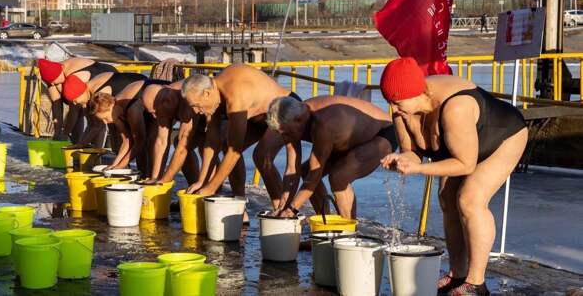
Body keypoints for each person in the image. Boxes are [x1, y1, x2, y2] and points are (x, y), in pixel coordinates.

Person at [378, 58, 527, 296]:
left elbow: (465, 164)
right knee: (447, 198)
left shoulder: (455, 107)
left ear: (417, 93)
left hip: (503, 136)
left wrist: (417, 169)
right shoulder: (402, 109)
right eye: (389, 102)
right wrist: (403, 160)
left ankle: (475, 283)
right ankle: (457, 274)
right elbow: (413, 153)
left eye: (396, 102)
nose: (393, 109)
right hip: (461, 146)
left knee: (470, 199)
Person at [180, 64, 301, 208]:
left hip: (284, 108)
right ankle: (240, 206)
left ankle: (282, 209)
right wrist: (202, 181)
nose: (196, 111)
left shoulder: (235, 97)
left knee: (261, 155)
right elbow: (212, 142)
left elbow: (235, 151)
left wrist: (211, 188)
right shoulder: (215, 94)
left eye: (197, 105)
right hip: (258, 117)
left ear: (206, 93)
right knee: (225, 144)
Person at [266, 95, 397, 219]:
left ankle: (348, 235)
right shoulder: (292, 119)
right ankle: (325, 225)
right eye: (281, 134)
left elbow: (315, 175)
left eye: (287, 133)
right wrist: (283, 206)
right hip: (349, 139)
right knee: (305, 171)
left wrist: (292, 209)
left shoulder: (323, 124)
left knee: (339, 177)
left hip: (384, 132)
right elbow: (292, 169)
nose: (285, 138)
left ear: (299, 120)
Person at [88, 78, 173, 177]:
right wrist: (114, 165)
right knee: (140, 148)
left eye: (105, 118)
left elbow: (139, 141)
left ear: (111, 105)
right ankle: (143, 177)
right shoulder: (115, 113)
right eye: (102, 120)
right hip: (143, 105)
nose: (105, 122)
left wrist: (121, 166)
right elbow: (127, 141)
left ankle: (156, 178)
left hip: (164, 97)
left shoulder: (131, 110)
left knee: (152, 141)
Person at [38, 58, 116, 142]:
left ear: (60, 73)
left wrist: (65, 133)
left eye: (54, 82)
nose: (52, 84)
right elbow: (56, 104)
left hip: (107, 77)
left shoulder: (75, 76)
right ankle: (78, 146)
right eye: (50, 83)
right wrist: (57, 133)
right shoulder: (51, 75)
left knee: (96, 121)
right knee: (79, 122)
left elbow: (74, 110)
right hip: (86, 87)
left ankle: (96, 150)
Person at [62, 71, 147, 148]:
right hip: (131, 84)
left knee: (128, 133)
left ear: (80, 93)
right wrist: (81, 144)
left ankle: (120, 158)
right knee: (113, 125)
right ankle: (116, 155)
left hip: (142, 89)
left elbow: (97, 126)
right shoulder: (88, 93)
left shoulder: (98, 95)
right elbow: (91, 124)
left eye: (74, 100)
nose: (74, 103)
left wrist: (81, 145)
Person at [139, 82, 201, 185]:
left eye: (156, 112)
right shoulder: (162, 101)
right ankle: (194, 186)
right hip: (195, 116)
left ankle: (213, 191)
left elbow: (183, 147)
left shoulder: (187, 100)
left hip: (221, 117)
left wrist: (165, 180)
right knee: (177, 142)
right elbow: (161, 141)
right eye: (152, 113)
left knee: (206, 146)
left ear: (168, 101)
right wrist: (155, 177)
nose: (155, 117)